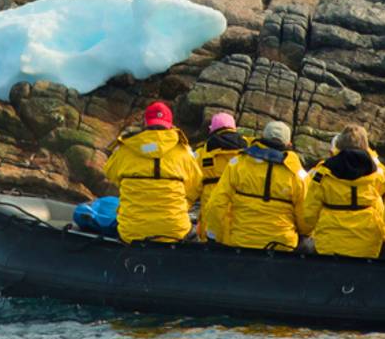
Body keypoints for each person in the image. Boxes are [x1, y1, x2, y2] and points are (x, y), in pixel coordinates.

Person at [102, 101, 202, 243]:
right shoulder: (184, 152)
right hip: (174, 230)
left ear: (145, 122)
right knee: (196, 238)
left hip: (131, 231)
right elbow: (195, 185)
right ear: (170, 124)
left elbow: (110, 173)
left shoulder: (125, 149)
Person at [204, 120, 309, 250]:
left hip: (241, 242)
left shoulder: (238, 164)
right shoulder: (298, 174)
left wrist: (214, 236)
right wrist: (303, 235)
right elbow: (306, 216)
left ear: (262, 138)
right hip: (282, 247)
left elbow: (216, 203)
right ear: (289, 144)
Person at [302, 125, 385, 258]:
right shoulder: (379, 172)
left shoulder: (322, 173)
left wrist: (308, 230)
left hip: (329, 242)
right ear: (365, 144)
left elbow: (309, 214)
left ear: (339, 143)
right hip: (368, 242)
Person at [195, 112, 249, 240]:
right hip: (241, 225)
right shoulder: (249, 153)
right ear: (234, 128)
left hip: (211, 224)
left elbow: (190, 188)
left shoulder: (202, 153)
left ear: (212, 130)